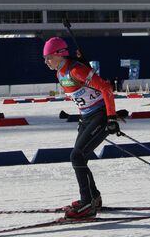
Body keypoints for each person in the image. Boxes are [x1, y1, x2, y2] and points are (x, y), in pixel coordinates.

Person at [42, 37, 121, 219]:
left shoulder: (75, 70)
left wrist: (111, 118)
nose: (46, 62)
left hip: (100, 115)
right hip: (86, 118)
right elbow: (84, 94)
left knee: (76, 155)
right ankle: (93, 198)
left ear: (60, 54)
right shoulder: (60, 73)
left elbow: (106, 88)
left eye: (48, 57)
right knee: (80, 158)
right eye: (44, 58)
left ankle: (87, 204)